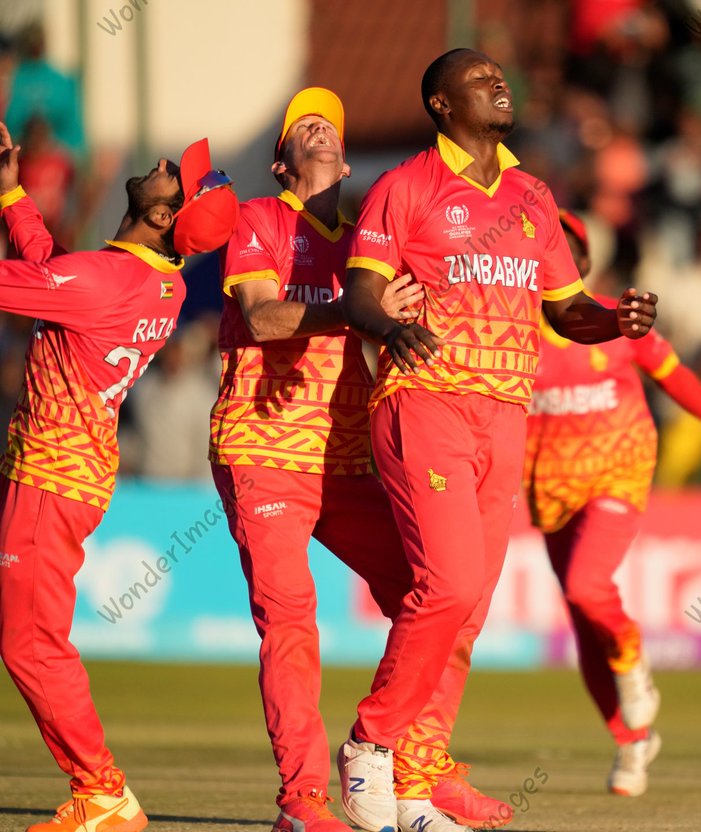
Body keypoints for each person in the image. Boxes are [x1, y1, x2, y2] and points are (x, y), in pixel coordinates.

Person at [338, 48, 659, 832]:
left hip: (506, 413)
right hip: (428, 401)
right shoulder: (405, 186)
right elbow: (358, 292)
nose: (499, 84)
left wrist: (614, 318)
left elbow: (566, 307)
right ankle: (369, 749)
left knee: (468, 612)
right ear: (441, 105)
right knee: (445, 587)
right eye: (479, 80)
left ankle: (418, 780)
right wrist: (390, 327)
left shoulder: (531, 193)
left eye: (500, 77)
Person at [210, 87, 512, 832]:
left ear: (345, 157)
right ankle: (304, 802)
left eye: (328, 127)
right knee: (290, 622)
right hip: (263, 448)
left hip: (347, 462)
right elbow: (260, 316)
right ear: (282, 162)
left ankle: (413, 772)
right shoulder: (261, 219)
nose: (318, 131)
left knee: (446, 592)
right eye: (302, 127)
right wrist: (354, 306)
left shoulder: (374, 235)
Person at [0, 121, 237, 831]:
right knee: (31, 637)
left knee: (28, 643)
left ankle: (103, 791)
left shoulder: (110, 277)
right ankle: (100, 789)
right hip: (70, 471)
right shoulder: (147, 282)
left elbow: (44, 283)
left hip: (52, 473)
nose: (165, 163)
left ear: (166, 216)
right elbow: (53, 277)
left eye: (177, 176)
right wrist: (14, 194)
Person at [524, 209, 701, 796]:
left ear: (582, 265)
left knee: (589, 587)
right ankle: (632, 743)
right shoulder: (512, 331)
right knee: (582, 623)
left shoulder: (618, 318)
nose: (549, 260)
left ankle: (635, 665)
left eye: (563, 250)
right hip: (549, 489)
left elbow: (675, 375)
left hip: (619, 472)